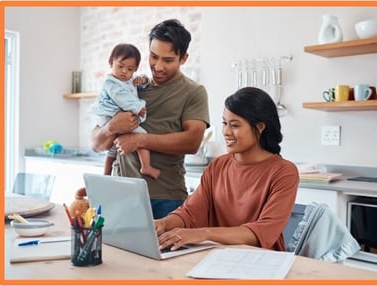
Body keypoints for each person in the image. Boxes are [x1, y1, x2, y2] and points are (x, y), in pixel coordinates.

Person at [155, 87, 299, 251]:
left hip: (262, 261)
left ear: (260, 127)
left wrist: (204, 234)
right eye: (225, 123)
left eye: (235, 125)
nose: (226, 132)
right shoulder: (218, 166)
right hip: (216, 256)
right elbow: (190, 213)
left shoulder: (284, 172)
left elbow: (262, 232)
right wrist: (163, 223)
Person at [91, 19, 210, 219]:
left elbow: (192, 142)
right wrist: (111, 127)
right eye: (153, 57)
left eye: (168, 60)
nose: (158, 66)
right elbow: (96, 144)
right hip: (121, 194)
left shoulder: (193, 92)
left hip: (167, 198)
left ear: (184, 58)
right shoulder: (129, 87)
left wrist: (139, 140)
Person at [90, 43, 160, 179]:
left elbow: (140, 84)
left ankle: (106, 176)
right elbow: (121, 98)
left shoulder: (128, 80)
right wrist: (138, 107)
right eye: (120, 66)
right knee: (142, 134)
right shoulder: (111, 82)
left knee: (113, 148)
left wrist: (143, 80)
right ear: (111, 62)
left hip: (112, 116)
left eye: (130, 69)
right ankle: (146, 166)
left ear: (135, 69)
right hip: (109, 116)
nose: (124, 72)